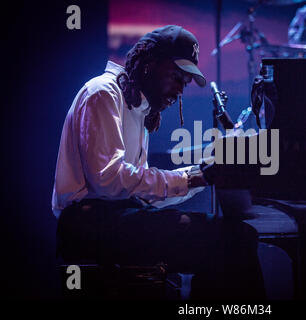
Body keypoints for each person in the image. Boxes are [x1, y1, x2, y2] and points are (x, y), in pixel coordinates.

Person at [53, 25, 264, 299]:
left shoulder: (135, 107)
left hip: (112, 219)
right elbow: (109, 180)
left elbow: (141, 193)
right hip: (88, 225)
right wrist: (196, 176)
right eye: (177, 77)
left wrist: (205, 172)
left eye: (184, 84)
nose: (179, 91)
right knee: (232, 239)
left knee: (237, 237)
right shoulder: (103, 93)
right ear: (149, 64)